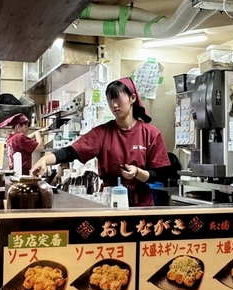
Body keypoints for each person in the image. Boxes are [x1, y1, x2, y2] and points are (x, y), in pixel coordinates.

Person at [31, 78, 170, 206]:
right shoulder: (102, 132)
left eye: (118, 99)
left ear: (132, 98)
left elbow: (159, 175)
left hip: (141, 205)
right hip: (110, 201)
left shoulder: (150, 133)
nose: (114, 105)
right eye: (110, 100)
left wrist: (137, 172)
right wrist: (45, 160)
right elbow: (71, 151)